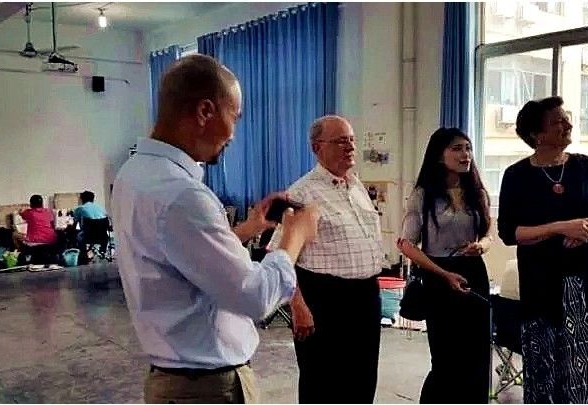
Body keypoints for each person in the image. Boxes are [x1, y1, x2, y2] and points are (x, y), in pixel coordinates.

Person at [111, 54, 319, 404]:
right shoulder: (183, 195)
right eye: (234, 117)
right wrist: (294, 238)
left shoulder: (134, 174)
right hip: (207, 387)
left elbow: (179, 254)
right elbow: (255, 298)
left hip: (175, 377)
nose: (233, 135)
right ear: (205, 111)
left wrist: (247, 229)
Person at [497, 96, 588, 403]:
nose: (567, 124)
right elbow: (509, 232)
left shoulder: (584, 166)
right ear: (537, 134)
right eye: (558, 120)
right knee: (546, 374)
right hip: (542, 289)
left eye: (566, 118)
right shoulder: (516, 175)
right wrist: (560, 227)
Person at [268, 115, 384, 404]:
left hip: (366, 297)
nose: (350, 147)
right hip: (325, 300)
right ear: (317, 147)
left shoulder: (356, 186)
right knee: (323, 385)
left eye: (352, 140)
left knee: (362, 381)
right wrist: (298, 307)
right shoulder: (302, 193)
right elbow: (277, 255)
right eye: (341, 141)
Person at [396, 127, 493, 404]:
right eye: (457, 148)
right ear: (439, 155)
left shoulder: (477, 192)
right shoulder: (423, 195)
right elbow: (406, 244)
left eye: (468, 148)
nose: (466, 154)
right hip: (439, 276)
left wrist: (482, 245)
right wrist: (443, 274)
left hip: (474, 274)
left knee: (477, 357)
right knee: (447, 359)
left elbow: (488, 234)